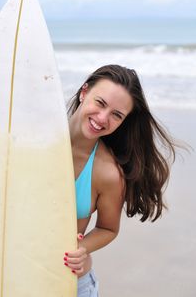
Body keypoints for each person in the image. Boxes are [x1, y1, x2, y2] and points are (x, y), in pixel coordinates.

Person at [63, 65, 176, 296]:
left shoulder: (107, 173)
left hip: (71, 284)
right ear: (84, 92)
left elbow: (108, 228)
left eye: (116, 115)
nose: (102, 118)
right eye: (100, 103)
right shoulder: (34, 139)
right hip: (14, 270)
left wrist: (81, 248)